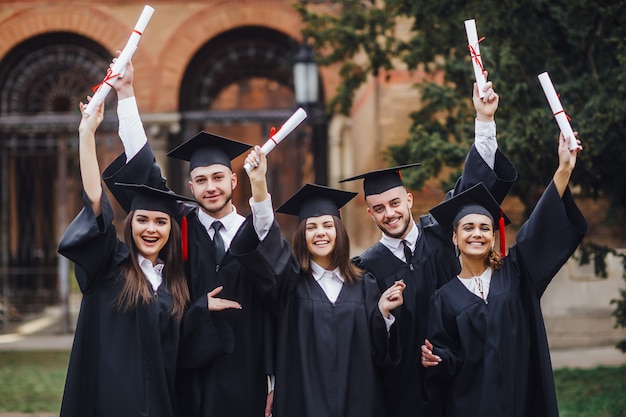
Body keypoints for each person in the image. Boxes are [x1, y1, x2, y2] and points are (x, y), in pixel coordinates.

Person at [101, 57, 279, 417]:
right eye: (201, 180)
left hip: (244, 376)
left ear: (233, 180)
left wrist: (274, 381)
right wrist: (126, 93)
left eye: (218, 177)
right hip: (185, 372)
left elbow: (276, 307)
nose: (210, 188)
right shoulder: (176, 224)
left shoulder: (257, 232)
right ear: (190, 186)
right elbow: (143, 169)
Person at [338, 81, 518, 416]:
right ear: (369, 212)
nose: (389, 213)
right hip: (406, 393)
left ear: (408, 200)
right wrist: (384, 313)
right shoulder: (366, 268)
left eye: (394, 203)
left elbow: (474, 184)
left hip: (462, 374)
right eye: (379, 208)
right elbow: (367, 340)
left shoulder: (441, 231)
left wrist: (484, 120)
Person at [230, 145, 406, 417]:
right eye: (311, 227)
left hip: (357, 403)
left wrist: (382, 314)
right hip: (303, 403)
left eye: (327, 225)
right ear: (302, 235)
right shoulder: (289, 283)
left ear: (339, 232)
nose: (320, 233)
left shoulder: (365, 285)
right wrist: (259, 184)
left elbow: (379, 354)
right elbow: (269, 240)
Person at [421, 132, 588, 417]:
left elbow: (540, 226)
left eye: (484, 228)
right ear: (454, 238)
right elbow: (448, 356)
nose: (477, 234)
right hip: (472, 406)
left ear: (494, 234)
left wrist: (564, 170)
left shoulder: (517, 272)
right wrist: (435, 359)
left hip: (521, 401)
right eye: (468, 227)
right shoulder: (445, 297)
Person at [58, 98, 207, 416]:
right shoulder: (109, 266)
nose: (151, 229)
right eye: (142, 220)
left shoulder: (173, 284)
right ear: (130, 223)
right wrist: (87, 134)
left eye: (161, 221)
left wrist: (203, 308)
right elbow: (95, 201)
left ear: (171, 229)